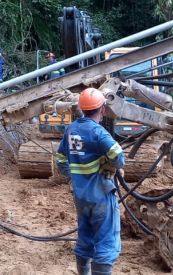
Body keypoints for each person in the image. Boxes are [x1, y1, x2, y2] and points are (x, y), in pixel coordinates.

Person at [55, 88, 124, 275]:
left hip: (81, 196)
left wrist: (73, 177)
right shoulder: (98, 132)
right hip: (101, 195)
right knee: (106, 242)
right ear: (102, 109)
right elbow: (119, 158)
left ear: (82, 109)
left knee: (85, 238)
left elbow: (60, 160)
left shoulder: (70, 130)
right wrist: (108, 163)